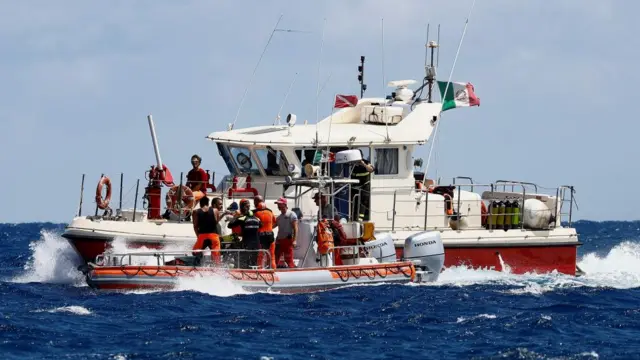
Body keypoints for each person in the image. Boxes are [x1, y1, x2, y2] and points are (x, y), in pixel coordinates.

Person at [227, 199, 261, 268]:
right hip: (256, 244)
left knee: (243, 262)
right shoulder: (257, 219)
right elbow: (261, 226)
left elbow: (229, 225)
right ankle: (254, 274)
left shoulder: (242, 218)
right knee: (253, 263)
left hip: (247, 244)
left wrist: (236, 216)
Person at [191, 196, 222, 264]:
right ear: (208, 203)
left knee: (194, 252)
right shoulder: (215, 210)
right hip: (214, 237)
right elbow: (216, 222)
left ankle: (198, 264)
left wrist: (198, 236)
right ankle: (217, 268)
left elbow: (195, 226)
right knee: (216, 255)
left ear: (200, 204)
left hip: (202, 236)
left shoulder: (196, 212)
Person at [272, 197, 298, 268]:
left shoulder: (291, 214)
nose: (278, 206)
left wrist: (294, 240)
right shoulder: (279, 217)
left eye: (279, 204)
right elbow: (272, 226)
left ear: (284, 204)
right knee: (275, 257)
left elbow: (295, 228)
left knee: (289, 259)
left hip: (287, 240)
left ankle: (293, 272)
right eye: (277, 204)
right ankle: (274, 271)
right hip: (279, 240)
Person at [253, 195, 277, 269]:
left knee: (260, 256)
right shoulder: (270, 211)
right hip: (270, 235)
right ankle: (273, 272)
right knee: (272, 256)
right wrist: (270, 228)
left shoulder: (254, 213)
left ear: (255, 202)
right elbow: (276, 222)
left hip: (261, 236)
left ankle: (260, 272)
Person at [351, 149, 374, 221]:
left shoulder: (366, 162)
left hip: (365, 186)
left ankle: (360, 219)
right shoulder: (352, 164)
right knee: (354, 202)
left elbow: (371, 169)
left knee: (363, 202)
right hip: (355, 186)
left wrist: (363, 164)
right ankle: (353, 218)